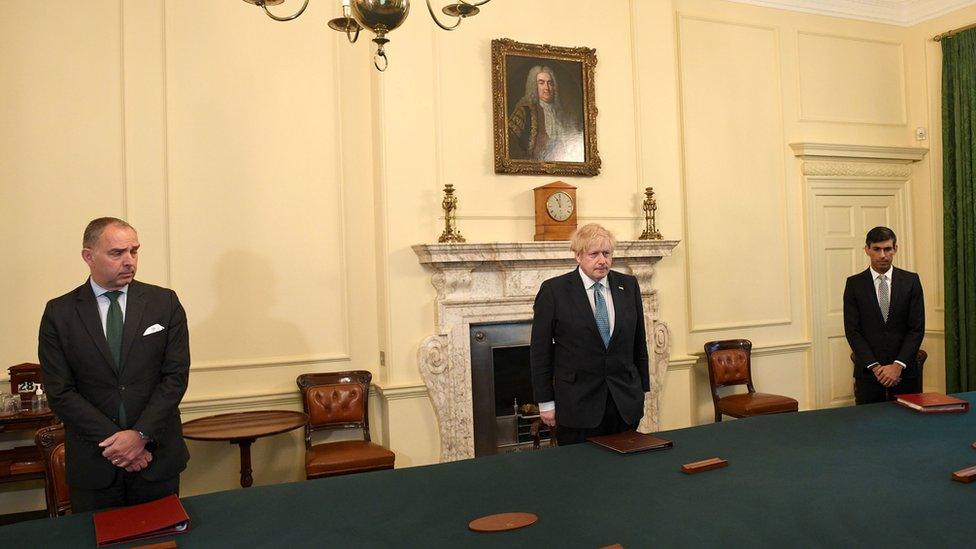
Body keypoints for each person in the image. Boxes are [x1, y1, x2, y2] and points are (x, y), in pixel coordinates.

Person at [38, 217, 190, 511]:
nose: (129, 261)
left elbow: (175, 378)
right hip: (95, 464)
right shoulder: (60, 313)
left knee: (162, 541)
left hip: (157, 458)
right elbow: (60, 391)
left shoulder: (164, 303)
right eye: (117, 253)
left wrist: (140, 435)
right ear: (88, 256)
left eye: (134, 251)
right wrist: (120, 444)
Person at [530, 224, 650, 445]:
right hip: (577, 405)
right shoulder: (554, 292)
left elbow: (638, 343)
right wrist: (545, 402)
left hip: (623, 402)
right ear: (578, 256)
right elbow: (540, 353)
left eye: (607, 253)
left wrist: (642, 389)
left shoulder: (629, 285)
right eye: (594, 254)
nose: (602, 260)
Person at [844, 226, 925, 405]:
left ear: (895, 249)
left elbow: (916, 329)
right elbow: (852, 331)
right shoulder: (854, 284)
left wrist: (897, 366)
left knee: (909, 427)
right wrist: (876, 367)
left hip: (904, 374)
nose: (882, 255)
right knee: (869, 428)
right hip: (869, 374)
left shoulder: (911, 281)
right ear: (867, 249)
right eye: (877, 249)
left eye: (887, 249)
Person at [507, 65, 584, 162]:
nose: (546, 88)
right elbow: (510, 144)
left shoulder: (562, 115)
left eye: (550, 83)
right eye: (541, 83)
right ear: (534, 86)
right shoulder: (524, 111)